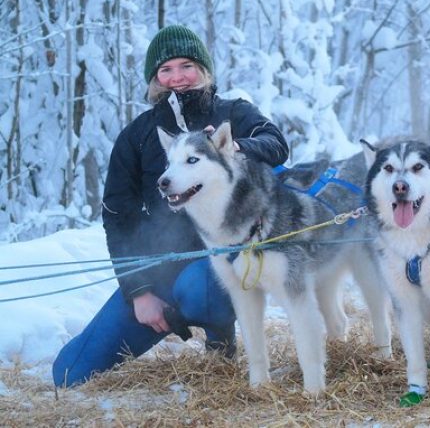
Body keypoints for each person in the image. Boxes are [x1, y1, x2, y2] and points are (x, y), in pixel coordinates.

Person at [53, 25, 289, 387]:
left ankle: (220, 341)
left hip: (222, 259)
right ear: (155, 78)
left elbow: (275, 144)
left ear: (204, 70)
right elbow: (117, 217)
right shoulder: (138, 135)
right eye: (166, 69)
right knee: (70, 374)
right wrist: (139, 292)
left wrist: (232, 149)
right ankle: (166, 310)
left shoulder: (232, 113)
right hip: (159, 270)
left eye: (187, 66)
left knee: (204, 293)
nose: (177, 77)